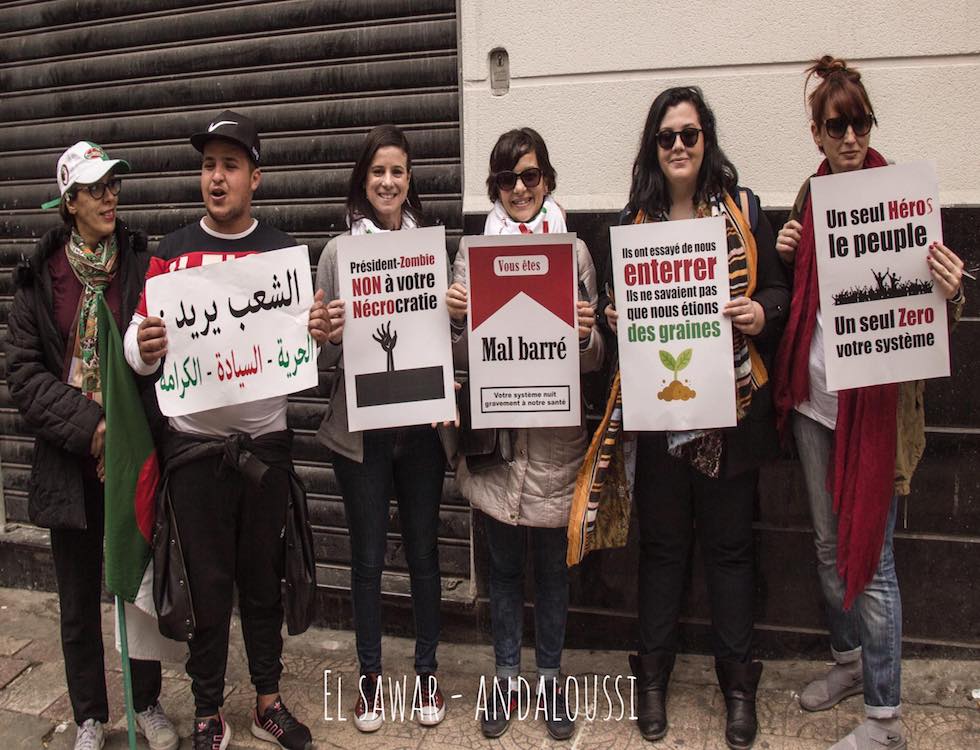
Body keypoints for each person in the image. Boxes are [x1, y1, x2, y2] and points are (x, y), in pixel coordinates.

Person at [771, 56, 965, 750]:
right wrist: (789, 253)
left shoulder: (902, 200)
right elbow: (803, 301)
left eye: (859, 124)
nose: (850, 137)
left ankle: (885, 718)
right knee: (829, 549)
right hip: (814, 406)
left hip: (875, 415)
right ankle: (849, 663)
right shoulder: (808, 197)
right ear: (817, 134)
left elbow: (929, 317)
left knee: (874, 564)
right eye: (836, 126)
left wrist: (948, 287)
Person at [124, 111, 329, 750]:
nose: (217, 177)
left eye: (230, 165)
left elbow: (303, 352)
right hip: (193, 455)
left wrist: (321, 332)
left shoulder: (282, 253)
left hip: (265, 448)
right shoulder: (168, 254)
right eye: (209, 165)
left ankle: (268, 701)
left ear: (255, 178)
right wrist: (145, 345)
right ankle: (209, 711)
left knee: (264, 580)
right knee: (205, 586)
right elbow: (135, 343)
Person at [605, 87, 789, 750]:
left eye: (689, 133)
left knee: (732, 551)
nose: (678, 146)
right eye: (666, 136)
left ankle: (738, 687)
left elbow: (778, 290)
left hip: (731, 414)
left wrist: (762, 313)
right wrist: (615, 318)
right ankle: (650, 681)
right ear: (653, 149)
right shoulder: (632, 226)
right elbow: (614, 311)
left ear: (706, 139)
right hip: (661, 420)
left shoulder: (744, 213)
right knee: (660, 551)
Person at [5, 142, 179, 750]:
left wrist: (127, 425)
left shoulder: (138, 261)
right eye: (96, 188)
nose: (110, 197)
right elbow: (25, 377)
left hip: (134, 454)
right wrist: (91, 426)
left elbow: (163, 346)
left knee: (134, 584)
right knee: (77, 599)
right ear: (69, 202)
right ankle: (89, 716)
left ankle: (148, 702)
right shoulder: (37, 279)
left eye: (114, 185)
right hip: (68, 461)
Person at [445, 127, 604, 741]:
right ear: (495, 187)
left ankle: (552, 682)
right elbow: (459, 355)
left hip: (557, 442)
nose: (519, 189)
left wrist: (588, 332)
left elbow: (593, 360)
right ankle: (506, 680)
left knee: (553, 576)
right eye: (507, 179)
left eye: (530, 176)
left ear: (547, 180)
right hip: (498, 442)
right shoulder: (472, 251)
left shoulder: (576, 253)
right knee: (505, 573)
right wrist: (455, 319)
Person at [315, 124, 449, 732]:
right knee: (367, 560)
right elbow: (317, 353)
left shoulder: (432, 248)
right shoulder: (337, 255)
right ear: (362, 181)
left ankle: (427, 674)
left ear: (410, 179)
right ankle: (369, 681)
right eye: (377, 172)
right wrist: (326, 332)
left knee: (424, 555)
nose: (388, 182)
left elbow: (446, 340)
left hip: (420, 429)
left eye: (397, 171)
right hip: (361, 432)